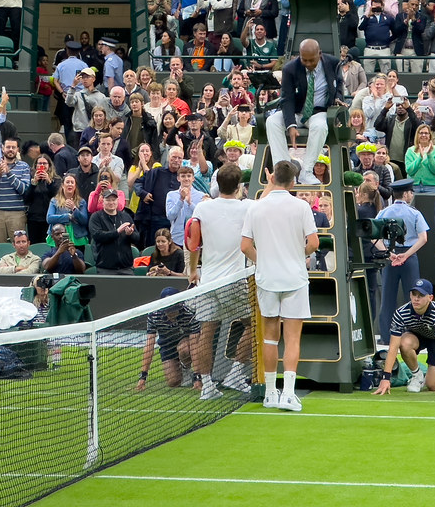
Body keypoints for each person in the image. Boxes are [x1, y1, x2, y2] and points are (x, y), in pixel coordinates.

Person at [241, 160, 318, 412]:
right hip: (294, 278)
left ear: (272, 178)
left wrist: (263, 261)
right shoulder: (301, 206)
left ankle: (271, 394)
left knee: (270, 339)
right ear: (293, 181)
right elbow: (314, 243)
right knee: (292, 339)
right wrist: (298, 255)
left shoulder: (256, 208)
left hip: (267, 279)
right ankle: (287, 394)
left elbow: (245, 246)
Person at [186, 164, 253, 399]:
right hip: (233, 281)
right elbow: (269, 198)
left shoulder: (203, 208)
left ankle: (207, 386)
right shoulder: (247, 207)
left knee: (207, 332)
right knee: (255, 324)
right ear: (238, 187)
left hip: (208, 282)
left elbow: (194, 244)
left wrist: (193, 271)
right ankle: (235, 374)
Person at [266, 39, 343, 186]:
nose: (307, 64)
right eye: (304, 60)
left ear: (319, 54)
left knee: (320, 127)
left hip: (318, 111)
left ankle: (306, 172)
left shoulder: (333, 63)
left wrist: (338, 98)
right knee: (272, 121)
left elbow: (339, 84)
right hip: (296, 111)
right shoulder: (290, 69)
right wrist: (291, 125)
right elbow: (286, 99)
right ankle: (284, 171)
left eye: (311, 60)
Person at [372, 278, 435, 397]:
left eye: (421, 295)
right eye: (414, 294)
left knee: (433, 386)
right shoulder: (401, 313)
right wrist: (385, 378)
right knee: (404, 343)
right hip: (417, 335)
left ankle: (427, 371)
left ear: (430, 298)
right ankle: (417, 375)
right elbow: (393, 347)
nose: (416, 298)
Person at [374, 179, 429, 345]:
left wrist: (388, 253)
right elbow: (423, 238)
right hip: (409, 256)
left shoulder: (384, 212)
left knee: (387, 298)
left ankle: (386, 336)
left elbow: (373, 237)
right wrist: (406, 255)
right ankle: (413, 335)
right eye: (411, 192)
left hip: (390, 257)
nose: (411, 195)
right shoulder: (414, 213)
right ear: (406, 194)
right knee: (414, 297)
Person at [136, 286, 202, 389]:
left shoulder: (189, 313)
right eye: (168, 310)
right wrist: (143, 377)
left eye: (174, 310)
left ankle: (187, 370)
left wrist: (197, 377)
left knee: (184, 348)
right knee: (173, 382)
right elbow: (149, 345)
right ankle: (180, 369)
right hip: (167, 346)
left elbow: (195, 344)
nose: (171, 313)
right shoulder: (154, 315)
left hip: (186, 343)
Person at [0, 137, 30, 243]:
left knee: (19, 246)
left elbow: (23, 189)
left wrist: (9, 173)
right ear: (2, 148)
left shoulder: (24, 167)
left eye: (13, 147)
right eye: (8, 147)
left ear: (17, 150)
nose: (10, 149)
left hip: (17, 213)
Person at [89, 188, 138, 274]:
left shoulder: (125, 216)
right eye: (108, 200)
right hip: (105, 267)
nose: (111, 202)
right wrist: (117, 232)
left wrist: (130, 234)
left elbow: (137, 238)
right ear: (102, 200)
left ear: (117, 200)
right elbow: (97, 235)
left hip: (126, 267)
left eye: (113, 200)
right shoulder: (96, 217)